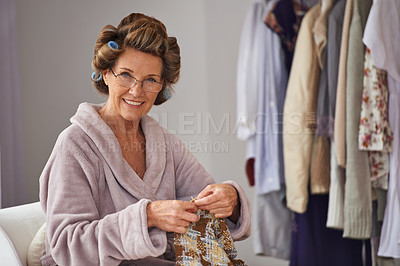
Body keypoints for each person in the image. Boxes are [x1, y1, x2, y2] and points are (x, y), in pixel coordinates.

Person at [39, 12, 251, 265]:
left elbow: (206, 201)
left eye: (150, 80)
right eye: (126, 75)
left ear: (162, 86)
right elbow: (67, 245)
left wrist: (230, 199)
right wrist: (147, 216)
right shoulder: (75, 146)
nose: (136, 91)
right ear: (106, 73)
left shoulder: (164, 144)